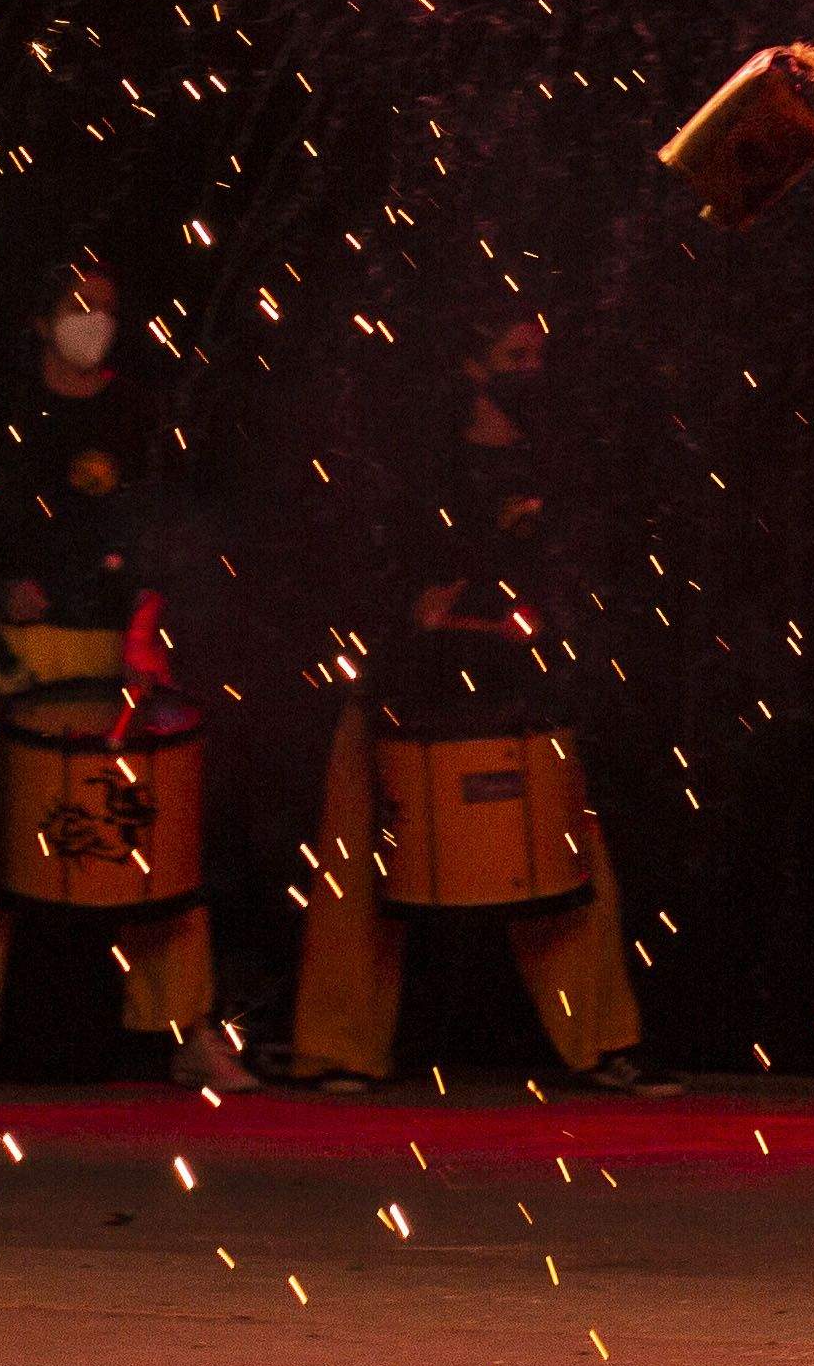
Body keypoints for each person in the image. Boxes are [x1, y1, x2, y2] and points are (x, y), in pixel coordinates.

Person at [284, 308, 673, 1093]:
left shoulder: (555, 462)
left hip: (515, 688)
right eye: (513, 356)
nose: (531, 372)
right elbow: (373, 564)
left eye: (538, 357)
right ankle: (338, 1048)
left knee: (567, 864)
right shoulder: (420, 464)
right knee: (359, 868)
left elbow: (583, 570)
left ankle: (601, 1041)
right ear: (471, 366)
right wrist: (420, 599)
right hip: (410, 685)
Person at [0, 252, 239, 1090]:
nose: (95, 322)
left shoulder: (141, 414)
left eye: (107, 307)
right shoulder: (1, 412)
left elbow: (174, 531)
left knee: (156, 842)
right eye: (78, 305)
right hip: (13, 652)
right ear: (41, 317)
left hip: (117, 647)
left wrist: (148, 624)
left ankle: (186, 1026)